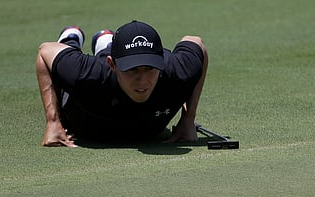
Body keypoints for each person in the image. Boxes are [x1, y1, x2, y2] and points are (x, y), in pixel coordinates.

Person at [36, 20, 208, 147]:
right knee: (71, 54)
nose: (142, 80)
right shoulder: (85, 74)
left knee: (113, 56)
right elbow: (45, 51)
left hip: (147, 130)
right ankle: (71, 38)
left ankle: (106, 43)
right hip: (81, 121)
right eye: (132, 70)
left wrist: (188, 118)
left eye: (149, 69)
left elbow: (197, 44)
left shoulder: (177, 70)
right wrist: (53, 122)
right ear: (113, 65)